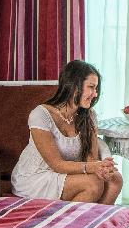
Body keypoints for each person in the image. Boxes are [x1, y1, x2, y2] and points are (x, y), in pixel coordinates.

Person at [10, 59, 122, 204]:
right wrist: (93, 167)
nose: (95, 94)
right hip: (36, 177)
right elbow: (56, 164)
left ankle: (89, 218)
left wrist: (101, 169)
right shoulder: (40, 114)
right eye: (91, 87)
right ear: (74, 86)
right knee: (93, 184)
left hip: (68, 174)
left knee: (115, 180)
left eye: (96, 89)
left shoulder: (89, 115)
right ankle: (69, 218)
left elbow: (91, 158)